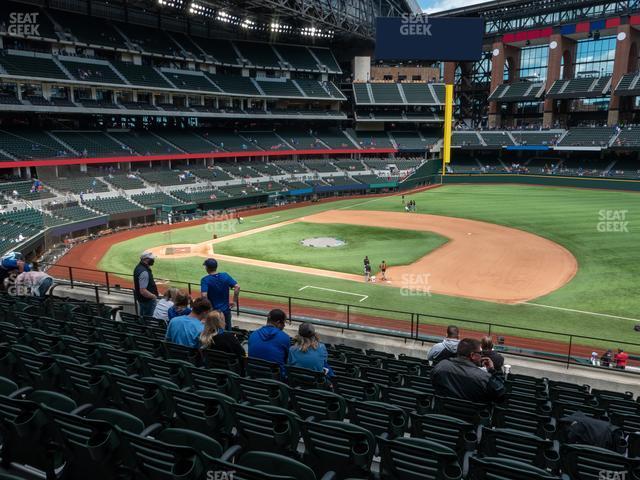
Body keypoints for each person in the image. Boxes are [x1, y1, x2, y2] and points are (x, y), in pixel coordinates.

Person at [431, 338, 505, 403]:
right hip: (473, 417)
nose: (481, 355)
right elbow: (500, 393)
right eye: (480, 353)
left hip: (443, 413)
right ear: (472, 355)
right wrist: (492, 370)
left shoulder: (440, 366)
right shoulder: (484, 377)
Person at [200, 258, 240, 331]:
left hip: (213, 313)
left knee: (213, 332)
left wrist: (208, 308)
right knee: (227, 331)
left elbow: (204, 296)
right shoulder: (225, 275)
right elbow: (237, 287)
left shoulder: (205, 280)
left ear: (207, 268)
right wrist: (234, 301)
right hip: (226, 311)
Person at [248, 309, 291, 374]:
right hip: (276, 381)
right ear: (278, 323)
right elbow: (287, 360)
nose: (284, 326)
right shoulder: (285, 337)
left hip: (254, 376)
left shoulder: (253, 334)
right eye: (283, 323)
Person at [134, 251, 158, 318]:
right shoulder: (144, 272)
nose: (153, 260)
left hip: (142, 300)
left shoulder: (138, 267)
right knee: (148, 320)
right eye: (151, 259)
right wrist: (154, 297)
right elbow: (143, 291)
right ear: (146, 259)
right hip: (148, 301)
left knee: (143, 318)